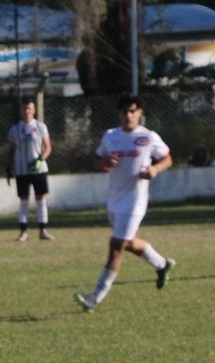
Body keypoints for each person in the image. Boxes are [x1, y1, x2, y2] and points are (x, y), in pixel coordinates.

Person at [74, 96, 176, 312]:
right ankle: (162, 264)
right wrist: (105, 163)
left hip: (135, 203)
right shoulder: (111, 136)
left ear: (140, 113)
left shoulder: (148, 137)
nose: (128, 116)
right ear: (118, 114)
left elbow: (167, 159)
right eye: (124, 112)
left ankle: (94, 298)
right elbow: (97, 160)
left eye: (132, 111)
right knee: (126, 243)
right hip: (114, 201)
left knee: (115, 248)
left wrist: (155, 170)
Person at [6, 97, 54, 241]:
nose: (27, 111)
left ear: (34, 110)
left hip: (39, 170)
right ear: (21, 110)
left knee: (41, 198)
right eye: (24, 108)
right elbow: (11, 150)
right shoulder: (15, 129)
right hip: (21, 170)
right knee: (24, 199)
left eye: (30, 108)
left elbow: (48, 147)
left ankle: (43, 230)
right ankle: (23, 231)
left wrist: (41, 159)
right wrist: (9, 167)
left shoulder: (40, 127)